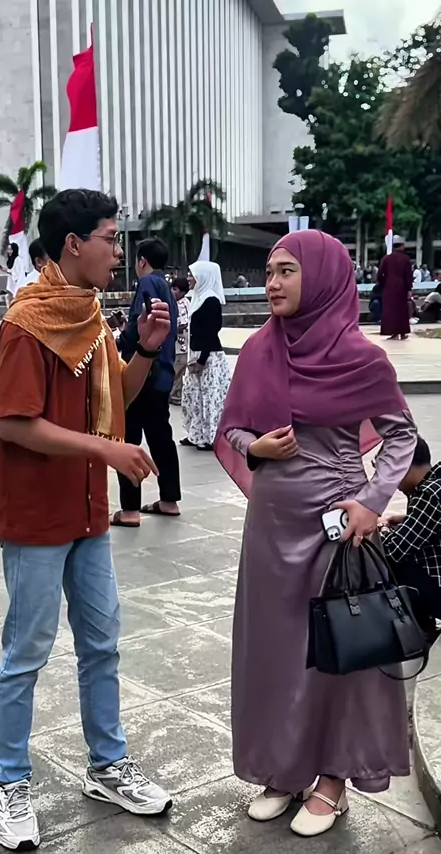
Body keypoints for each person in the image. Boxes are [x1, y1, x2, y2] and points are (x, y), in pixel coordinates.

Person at [0, 189, 173, 851]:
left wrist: (145, 351)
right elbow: (15, 424)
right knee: (27, 652)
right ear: (73, 243)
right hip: (36, 512)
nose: (117, 251)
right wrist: (106, 450)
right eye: (110, 238)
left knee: (102, 642)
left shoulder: (87, 315)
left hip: (86, 511)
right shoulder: (27, 323)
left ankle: (107, 766)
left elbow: (120, 397)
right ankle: (11, 782)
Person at [215, 230, 417, 838]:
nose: (272, 283)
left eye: (286, 271)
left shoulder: (361, 357)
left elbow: (401, 435)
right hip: (271, 528)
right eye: (269, 271)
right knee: (275, 650)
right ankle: (284, 767)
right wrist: (257, 448)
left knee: (336, 649)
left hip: (336, 526)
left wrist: (371, 502)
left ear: (323, 277)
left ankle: (333, 778)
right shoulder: (259, 350)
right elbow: (232, 429)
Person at [110, 237, 181, 527]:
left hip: (144, 372)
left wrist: (120, 339)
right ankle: (169, 499)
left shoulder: (147, 283)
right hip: (162, 373)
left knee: (129, 438)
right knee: (161, 437)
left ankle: (130, 509)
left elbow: (142, 326)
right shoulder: (166, 286)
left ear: (142, 261)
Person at [379, 436, 441, 632]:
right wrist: (407, 519)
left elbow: (392, 550)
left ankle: (416, 630)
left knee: (384, 564)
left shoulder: (429, 494)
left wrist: (380, 528)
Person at [181, 261, 231, 451]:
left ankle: (211, 437)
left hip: (209, 356)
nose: (189, 278)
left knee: (210, 398)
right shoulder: (198, 297)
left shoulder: (211, 300)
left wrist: (202, 359)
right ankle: (196, 434)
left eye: (192, 274)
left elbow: (211, 332)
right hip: (197, 354)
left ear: (202, 276)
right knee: (194, 396)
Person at [378, 236, 413, 340]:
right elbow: (408, 275)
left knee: (391, 310)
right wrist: (409, 288)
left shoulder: (386, 259)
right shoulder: (405, 259)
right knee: (402, 310)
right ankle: (402, 332)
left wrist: (384, 283)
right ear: (401, 246)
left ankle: (392, 332)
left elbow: (380, 274)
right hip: (402, 287)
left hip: (389, 287)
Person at [170, 277, 190, 405]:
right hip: (179, 344)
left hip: (181, 345)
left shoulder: (182, 304)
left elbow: (182, 324)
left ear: (182, 292)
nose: (172, 291)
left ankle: (175, 395)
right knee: (177, 370)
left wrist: (171, 328)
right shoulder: (179, 302)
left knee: (177, 371)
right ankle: (175, 394)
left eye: (175, 289)